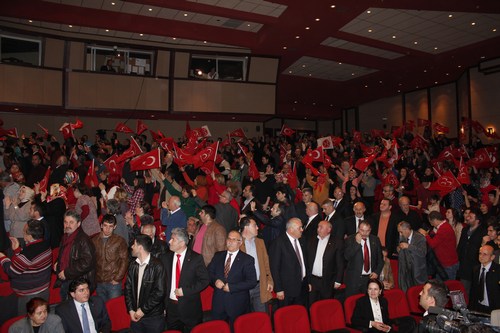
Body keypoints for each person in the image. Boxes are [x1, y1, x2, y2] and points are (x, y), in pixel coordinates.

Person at [0, 219, 52, 321]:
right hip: (43, 289)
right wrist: (17, 250)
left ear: (30, 236)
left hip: (30, 296)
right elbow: (26, 264)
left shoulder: (29, 253)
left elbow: (12, 271)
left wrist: (2, 257)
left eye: (24, 232)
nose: (23, 234)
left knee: (27, 322)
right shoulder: (46, 245)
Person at [160, 228, 209, 332]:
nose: (169, 241)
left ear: (182, 243)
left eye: (173, 239)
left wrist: (185, 291)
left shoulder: (196, 258)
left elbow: (204, 280)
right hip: (171, 308)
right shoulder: (165, 258)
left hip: (190, 308)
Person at [208, 230, 257, 326]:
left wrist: (232, 287)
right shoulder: (218, 256)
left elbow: (252, 282)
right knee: (217, 328)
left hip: (237, 303)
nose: (230, 241)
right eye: (229, 238)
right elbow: (209, 273)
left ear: (240, 243)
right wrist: (215, 281)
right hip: (219, 302)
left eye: (234, 239)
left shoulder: (247, 260)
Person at [125, 234, 166, 333]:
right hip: (136, 315)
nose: (131, 247)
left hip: (153, 317)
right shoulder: (133, 265)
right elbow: (128, 289)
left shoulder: (157, 266)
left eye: (134, 245)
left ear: (140, 248)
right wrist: (131, 310)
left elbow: (159, 293)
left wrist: (142, 310)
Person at [55, 210, 96, 301]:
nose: (67, 225)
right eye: (65, 222)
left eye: (71, 222)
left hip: (78, 282)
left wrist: (66, 272)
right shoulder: (65, 236)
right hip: (67, 279)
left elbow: (87, 262)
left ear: (78, 224)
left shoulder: (83, 240)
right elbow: (63, 253)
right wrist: (57, 262)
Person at [351, 278, 415, 332]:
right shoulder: (361, 302)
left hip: (383, 329)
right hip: (371, 330)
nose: (372, 292)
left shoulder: (383, 301)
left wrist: (388, 327)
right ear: (367, 291)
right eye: (370, 289)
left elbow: (386, 319)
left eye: (375, 289)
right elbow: (354, 320)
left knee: (410, 321)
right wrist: (372, 323)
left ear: (380, 291)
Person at [269, 217, 307, 307]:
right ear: (291, 229)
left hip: (301, 286)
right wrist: (278, 289)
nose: (302, 230)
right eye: (300, 228)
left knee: (299, 314)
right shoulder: (278, 243)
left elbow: (304, 262)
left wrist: (307, 281)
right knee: (286, 316)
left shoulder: (302, 240)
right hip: (286, 290)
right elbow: (274, 267)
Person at [91, 214, 128, 303]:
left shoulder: (119, 241)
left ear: (114, 227)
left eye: (110, 226)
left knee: (114, 309)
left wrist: (117, 278)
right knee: (102, 309)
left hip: (113, 282)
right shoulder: (94, 240)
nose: (107, 229)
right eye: (105, 226)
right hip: (99, 281)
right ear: (101, 225)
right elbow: (92, 260)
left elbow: (125, 260)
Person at [239, 216, 274, 313]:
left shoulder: (260, 242)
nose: (258, 228)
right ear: (246, 227)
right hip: (243, 287)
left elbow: (266, 263)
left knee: (262, 317)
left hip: (260, 286)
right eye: (255, 226)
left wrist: (269, 280)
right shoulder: (236, 243)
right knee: (245, 318)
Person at [307, 220, 344, 304]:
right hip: (313, 280)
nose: (318, 229)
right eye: (318, 227)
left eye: (321, 227)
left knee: (326, 305)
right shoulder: (311, 240)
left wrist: (338, 280)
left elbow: (340, 263)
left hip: (328, 281)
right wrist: (308, 280)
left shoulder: (337, 242)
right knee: (311, 305)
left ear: (329, 229)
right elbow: (307, 262)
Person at [344, 220, 384, 297]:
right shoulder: (350, 239)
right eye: (362, 230)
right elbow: (346, 256)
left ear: (370, 230)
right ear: (358, 229)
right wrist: (357, 243)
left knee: (368, 303)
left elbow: (380, 260)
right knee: (352, 303)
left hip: (370, 279)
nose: (364, 233)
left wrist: (376, 272)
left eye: (367, 231)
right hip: (354, 279)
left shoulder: (375, 240)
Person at [457, 208, 487, 296]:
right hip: (464, 265)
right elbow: (460, 246)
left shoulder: (483, 232)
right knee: (464, 290)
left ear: (477, 220)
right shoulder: (465, 230)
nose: (467, 218)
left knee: (475, 291)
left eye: (470, 217)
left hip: (476, 265)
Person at [420, 211, 459, 280]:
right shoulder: (444, 226)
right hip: (444, 263)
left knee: (448, 287)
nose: (431, 224)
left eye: (431, 222)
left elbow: (432, 244)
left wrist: (425, 235)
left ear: (435, 220)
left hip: (448, 264)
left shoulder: (444, 228)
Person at [468, 245, 500, 313]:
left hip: (494, 309)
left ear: (492, 257)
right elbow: (473, 290)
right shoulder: (476, 269)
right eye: (480, 253)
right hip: (478, 307)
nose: (481, 256)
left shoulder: (498, 271)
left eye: (485, 254)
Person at [397, 221, 427, 291]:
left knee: (419, 291)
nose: (400, 234)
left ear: (407, 230)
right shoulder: (402, 237)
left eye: (401, 232)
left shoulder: (420, 238)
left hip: (418, 271)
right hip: (406, 271)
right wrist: (398, 249)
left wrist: (409, 246)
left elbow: (423, 253)